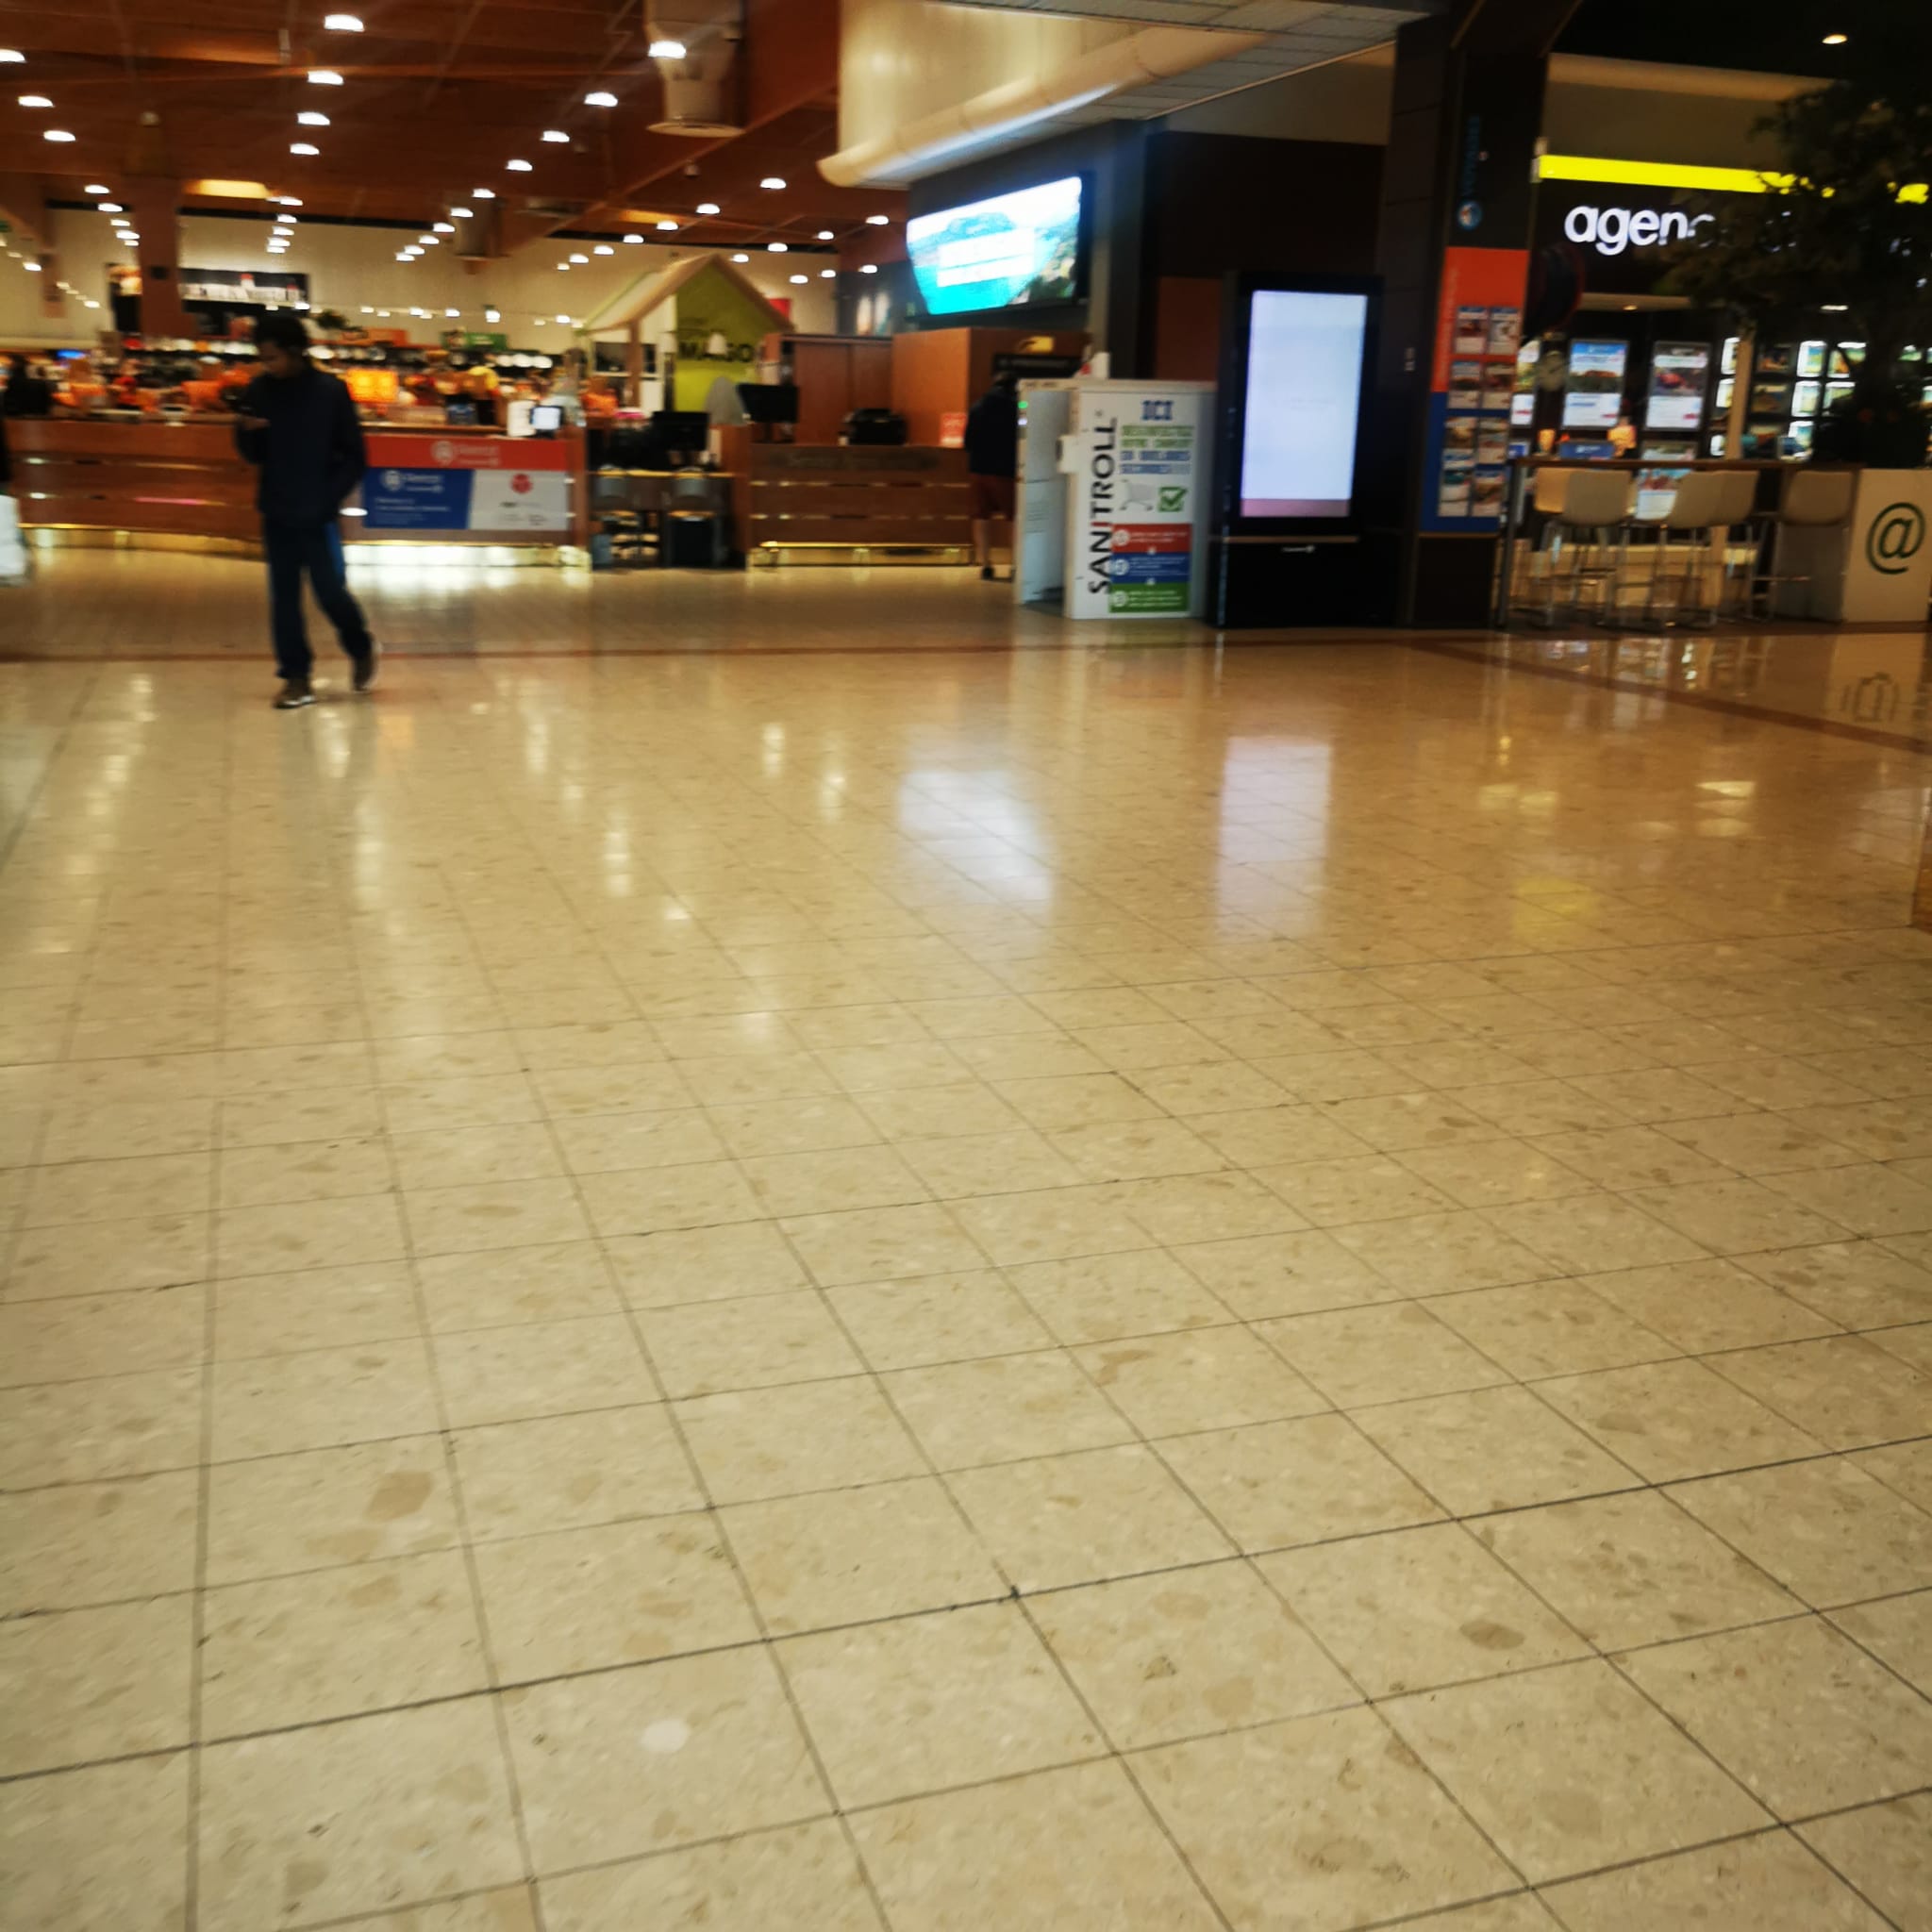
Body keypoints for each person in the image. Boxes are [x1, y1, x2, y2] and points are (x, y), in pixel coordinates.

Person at [233, 312, 377, 709]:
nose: (268, 366)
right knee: (284, 598)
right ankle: (296, 677)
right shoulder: (259, 391)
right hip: (277, 510)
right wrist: (246, 432)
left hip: (318, 514)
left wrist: (328, 499)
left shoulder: (330, 392)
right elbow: (252, 454)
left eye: (273, 357)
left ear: (296, 351)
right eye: (263, 358)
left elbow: (355, 456)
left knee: (330, 592)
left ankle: (360, 645)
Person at [963, 370, 1019, 581]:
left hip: (978, 470)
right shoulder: (1016, 408)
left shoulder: (977, 407)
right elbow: (1022, 438)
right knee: (1013, 517)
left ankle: (985, 564)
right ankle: (1015, 564)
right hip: (1005, 471)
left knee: (981, 517)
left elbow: (968, 442)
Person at [2, 354, 55, 418]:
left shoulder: (14, 381)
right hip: (39, 416)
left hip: (18, 416)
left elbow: (10, 402)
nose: (9, 366)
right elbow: (48, 403)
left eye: (11, 364)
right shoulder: (42, 383)